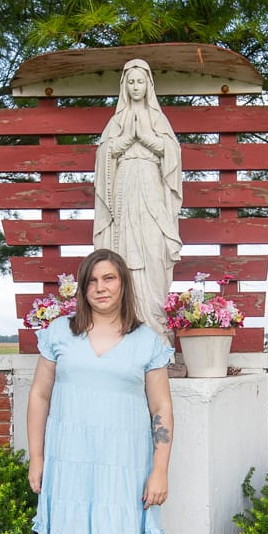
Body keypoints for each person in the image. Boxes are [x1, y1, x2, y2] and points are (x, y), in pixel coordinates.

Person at [27, 248, 175, 534]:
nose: (101, 288)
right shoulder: (59, 335)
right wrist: (37, 459)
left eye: (109, 279)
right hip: (72, 469)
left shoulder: (146, 341)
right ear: (82, 288)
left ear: (122, 284)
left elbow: (161, 407)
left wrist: (159, 470)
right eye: (92, 281)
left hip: (125, 470)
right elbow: (38, 397)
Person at [93, 59, 183, 343]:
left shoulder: (158, 119)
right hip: (124, 193)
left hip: (152, 190)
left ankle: (156, 326)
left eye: (140, 82)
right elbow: (104, 157)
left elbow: (171, 154)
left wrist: (144, 137)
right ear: (124, 86)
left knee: (154, 251)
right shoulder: (116, 121)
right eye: (130, 82)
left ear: (148, 85)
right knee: (125, 256)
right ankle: (126, 326)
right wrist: (124, 140)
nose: (135, 87)